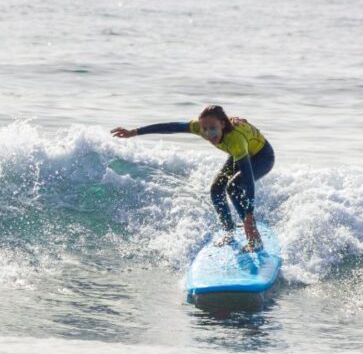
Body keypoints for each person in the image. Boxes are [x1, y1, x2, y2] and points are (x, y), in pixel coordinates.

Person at [111, 105, 275, 252]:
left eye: (213, 128)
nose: (209, 134)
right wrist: (134, 132)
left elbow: (247, 179)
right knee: (216, 189)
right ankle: (229, 231)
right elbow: (171, 127)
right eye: (205, 129)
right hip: (240, 154)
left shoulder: (235, 140)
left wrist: (249, 214)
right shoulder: (201, 128)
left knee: (234, 187)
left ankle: (254, 237)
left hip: (263, 157)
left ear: (223, 124)